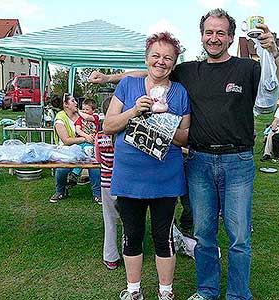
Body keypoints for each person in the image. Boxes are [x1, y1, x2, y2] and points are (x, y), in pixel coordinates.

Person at [89, 9, 279, 300]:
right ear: (202, 36)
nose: (214, 38)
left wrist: (275, 50)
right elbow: (151, 72)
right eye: (209, 32)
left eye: (221, 32)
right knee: (205, 235)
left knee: (238, 238)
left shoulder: (247, 68)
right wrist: (110, 77)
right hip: (198, 161)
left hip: (238, 162)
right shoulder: (188, 71)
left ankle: (238, 294)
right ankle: (207, 291)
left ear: (231, 37)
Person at [103, 32, 190, 300]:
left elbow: (186, 137)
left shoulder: (180, 92)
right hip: (129, 176)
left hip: (165, 176)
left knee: (163, 237)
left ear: (174, 63)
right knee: (132, 234)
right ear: (146, 58)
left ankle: (166, 292)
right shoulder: (128, 85)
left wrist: (166, 123)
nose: (161, 62)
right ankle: (133, 291)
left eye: (167, 58)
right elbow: (108, 126)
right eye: (156, 56)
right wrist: (133, 112)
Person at [49, 93, 101, 203]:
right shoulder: (60, 118)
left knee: (95, 166)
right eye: (73, 101)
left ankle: (97, 194)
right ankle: (60, 191)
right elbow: (66, 140)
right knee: (62, 169)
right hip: (67, 151)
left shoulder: (81, 115)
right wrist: (85, 139)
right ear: (65, 104)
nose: (76, 103)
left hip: (86, 149)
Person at [94, 96, 121, 270]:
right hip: (125, 182)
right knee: (131, 220)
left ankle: (111, 257)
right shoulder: (125, 132)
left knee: (110, 221)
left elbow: (98, 159)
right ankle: (133, 249)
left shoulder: (100, 136)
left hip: (106, 182)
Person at [68, 98, 100, 191]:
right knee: (79, 153)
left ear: (93, 110)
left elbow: (87, 117)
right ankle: (74, 174)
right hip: (82, 141)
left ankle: (75, 173)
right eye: (83, 109)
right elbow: (78, 130)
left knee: (86, 152)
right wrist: (86, 136)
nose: (84, 111)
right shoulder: (79, 119)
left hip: (91, 144)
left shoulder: (95, 117)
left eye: (87, 109)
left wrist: (78, 111)